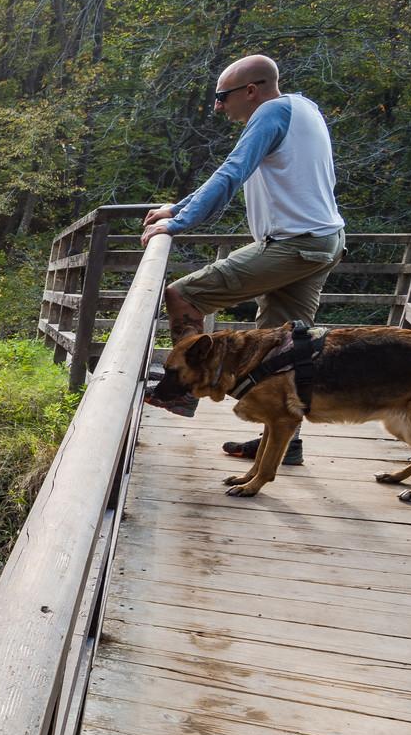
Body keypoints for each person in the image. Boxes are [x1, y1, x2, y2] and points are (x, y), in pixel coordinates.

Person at [142, 54, 345, 466]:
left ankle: (182, 391)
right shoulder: (303, 109)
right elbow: (239, 170)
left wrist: (178, 223)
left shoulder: (271, 113)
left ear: (251, 90)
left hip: (295, 244)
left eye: (222, 96)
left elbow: (232, 171)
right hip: (324, 240)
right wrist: (178, 206)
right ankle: (286, 442)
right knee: (282, 344)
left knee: (184, 294)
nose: (218, 106)